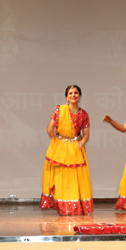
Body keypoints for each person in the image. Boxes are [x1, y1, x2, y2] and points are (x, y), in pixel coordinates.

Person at [40, 85, 93, 215]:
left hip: (75, 148)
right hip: (61, 148)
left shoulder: (84, 114)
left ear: (80, 96)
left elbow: (86, 133)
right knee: (61, 177)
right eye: (70, 93)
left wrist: (82, 142)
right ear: (66, 97)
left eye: (75, 93)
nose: (73, 95)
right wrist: (57, 141)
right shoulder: (59, 110)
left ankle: (74, 206)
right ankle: (62, 206)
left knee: (74, 178)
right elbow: (50, 128)